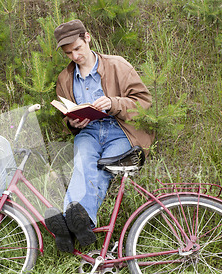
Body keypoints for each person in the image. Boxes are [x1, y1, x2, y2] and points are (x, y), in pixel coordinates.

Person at [45, 19, 154, 253]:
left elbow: (144, 102)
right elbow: (68, 116)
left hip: (121, 130)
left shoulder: (117, 65)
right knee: (83, 164)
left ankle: (72, 224)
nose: (74, 56)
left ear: (87, 37)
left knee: (103, 168)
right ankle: (78, 224)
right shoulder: (65, 79)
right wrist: (73, 122)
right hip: (89, 132)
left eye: (77, 48)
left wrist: (114, 103)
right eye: (68, 53)